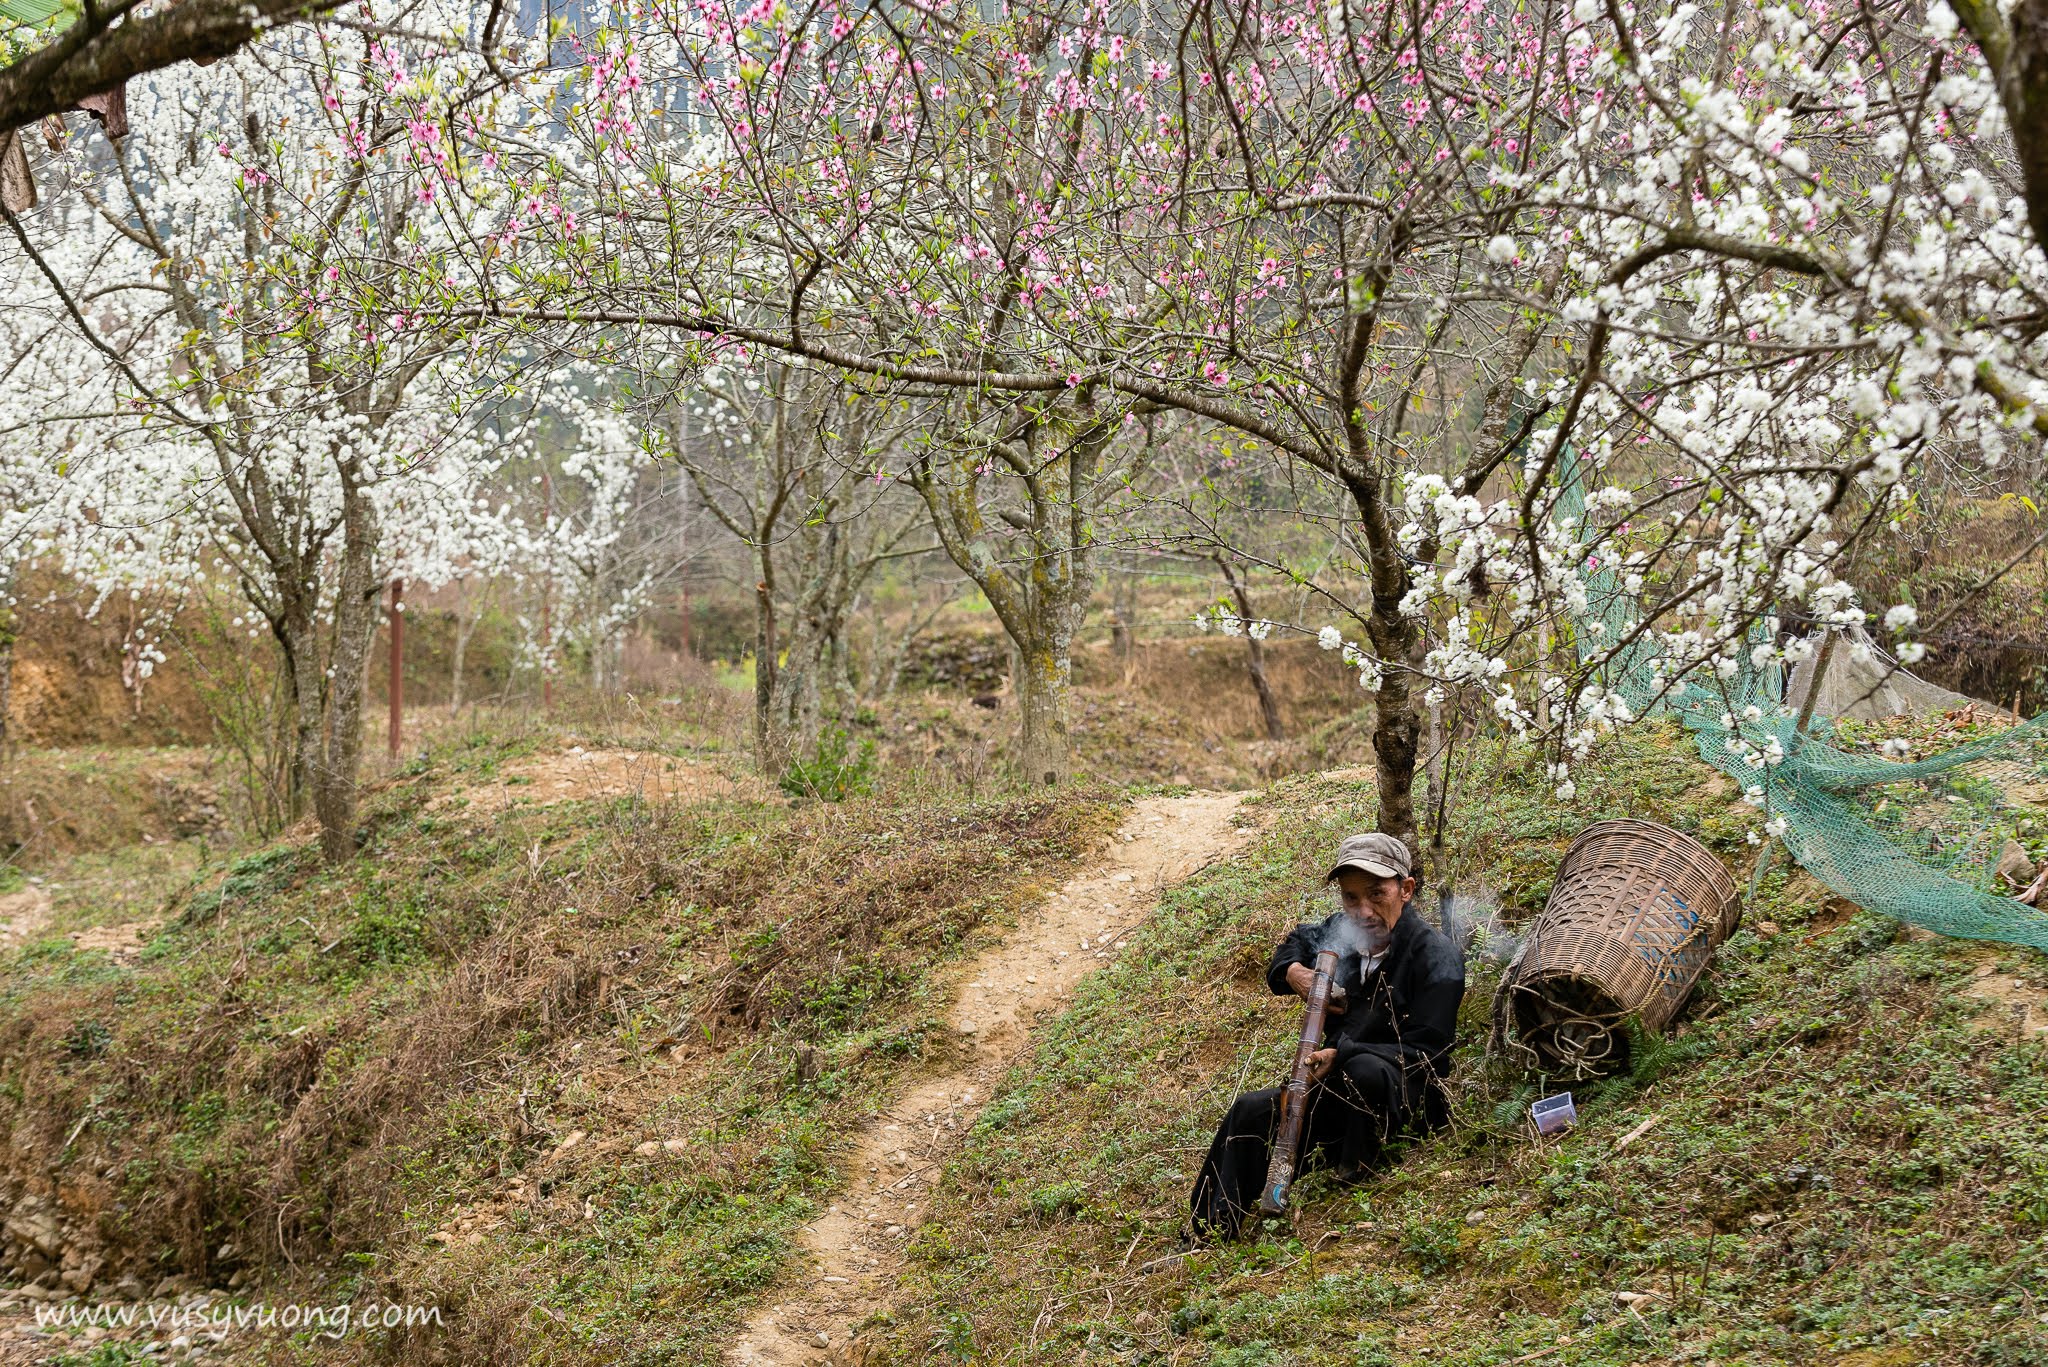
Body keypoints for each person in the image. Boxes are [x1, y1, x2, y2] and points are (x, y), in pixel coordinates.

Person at [1189, 832, 1466, 1240]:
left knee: (1366, 1068)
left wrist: (1343, 1051)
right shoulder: (1345, 931)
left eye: (1376, 895)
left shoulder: (1435, 956)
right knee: (1251, 1111)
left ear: (1405, 890)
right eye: (1351, 898)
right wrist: (1293, 972)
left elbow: (1429, 1051)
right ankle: (1207, 1231)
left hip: (1399, 1098)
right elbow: (1299, 941)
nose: (1364, 911)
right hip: (1335, 1088)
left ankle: (1355, 1168)